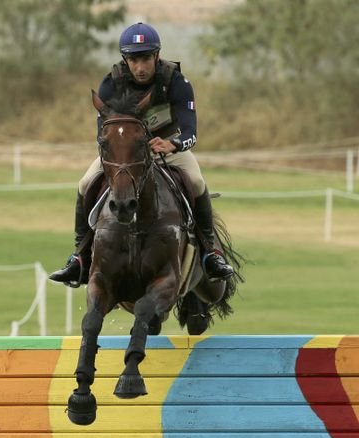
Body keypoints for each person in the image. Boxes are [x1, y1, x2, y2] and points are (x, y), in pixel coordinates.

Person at [49, 22, 234, 286]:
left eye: (146, 58)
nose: (140, 67)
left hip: (167, 148)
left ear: (156, 56)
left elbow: (191, 130)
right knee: (84, 184)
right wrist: (123, 152)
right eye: (134, 59)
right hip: (125, 155)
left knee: (196, 182)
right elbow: (103, 135)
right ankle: (79, 258)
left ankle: (210, 254)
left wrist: (175, 144)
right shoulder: (111, 84)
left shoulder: (176, 81)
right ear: (125, 59)